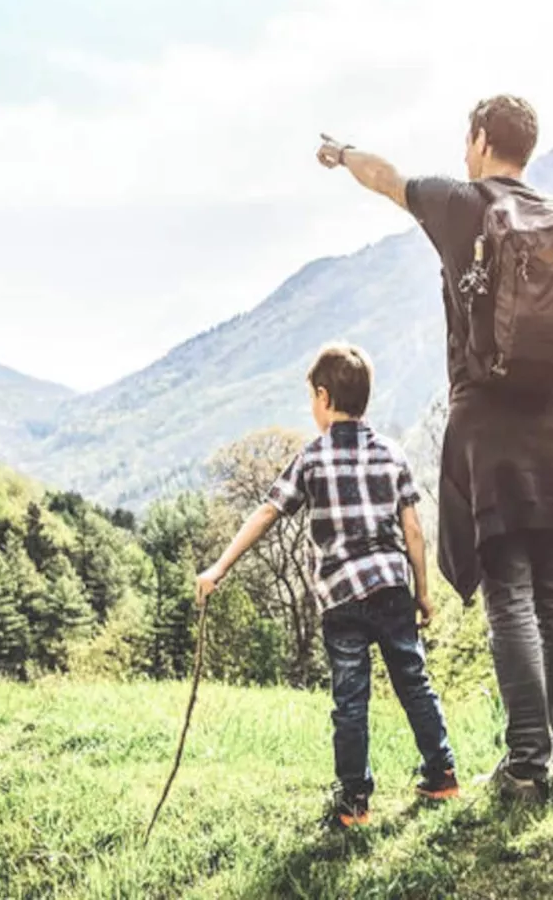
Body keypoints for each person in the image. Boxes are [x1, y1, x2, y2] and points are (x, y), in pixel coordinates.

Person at [316, 95, 553, 802]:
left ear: (480, 140)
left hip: (486, 423)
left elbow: (386, 178)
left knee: (509, 588)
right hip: (550, 421)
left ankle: (527, 763)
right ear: (528, 149)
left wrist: (342, 152)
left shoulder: (462, 204)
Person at [195, 343, 458, 830]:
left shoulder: (311, 459)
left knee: (351, 699)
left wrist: (219, 567)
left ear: (323, 396)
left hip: (341, 598)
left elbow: (267, 513)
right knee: (413, 681)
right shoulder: (390, 454)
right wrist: (422, 592)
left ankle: (354, 802)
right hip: (391, 587)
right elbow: (415, 533)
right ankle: (441, 774)